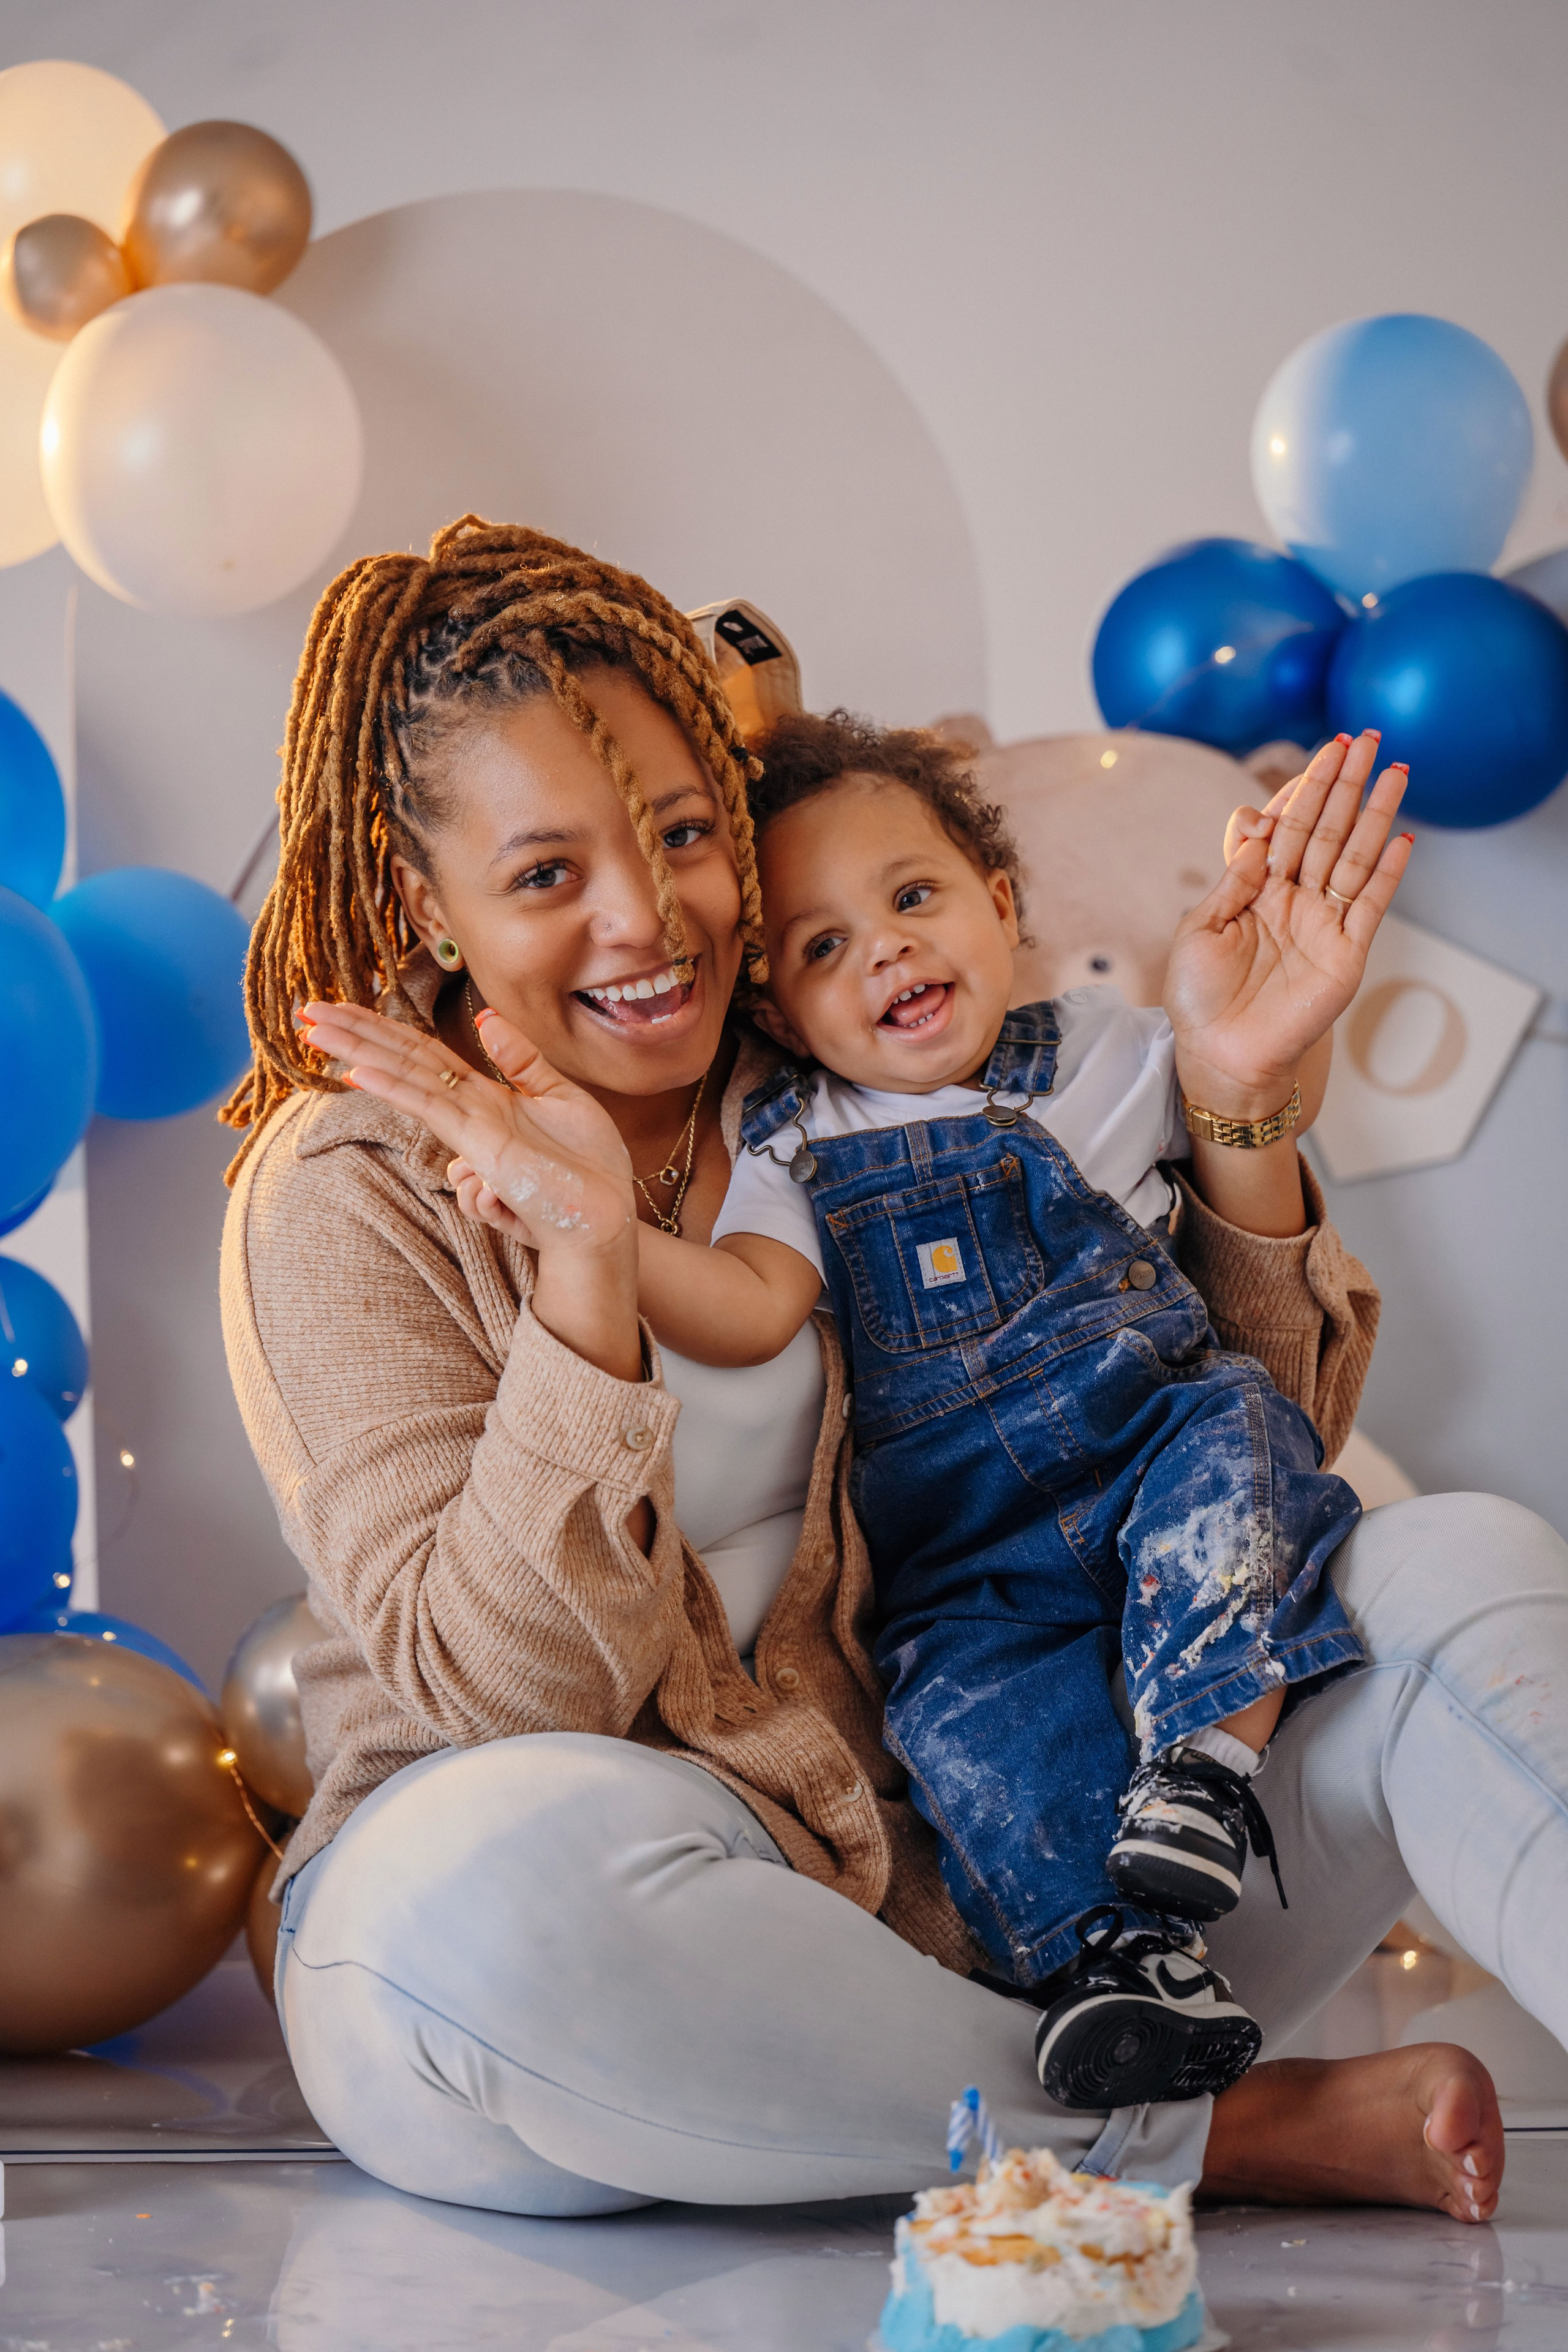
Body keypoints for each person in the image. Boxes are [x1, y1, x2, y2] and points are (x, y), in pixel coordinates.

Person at [224, 514, 1551, 2231]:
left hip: (1028, 1885)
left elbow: (1235, 1475)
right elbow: (508, 1700)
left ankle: (1071, 2094)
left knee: (1458, 1561)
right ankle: (1217, 2138)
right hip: (623, 1952)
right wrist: (580, 1275)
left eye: (685, 836)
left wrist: (1235, 1109)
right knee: (480, 1910)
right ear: (431, 905)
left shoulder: (838, 1065)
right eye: (548, 875)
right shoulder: (351, 1185)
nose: (649, 920)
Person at [453, 707, 1396, 2114]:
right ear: (775, 1013)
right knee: (965, 1721)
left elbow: (1250, 1099)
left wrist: (1254, 1050)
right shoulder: (792, 1143)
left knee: (1241, 1455)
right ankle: (1118, 1961)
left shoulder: (1114, 1050)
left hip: (1153, 1451)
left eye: (911, 898)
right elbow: (748, 1306)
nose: (884, 947)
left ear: (999, 906)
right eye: (822, 947)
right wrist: (587, 1230)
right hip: (970, 1557)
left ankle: (1205, 1769)